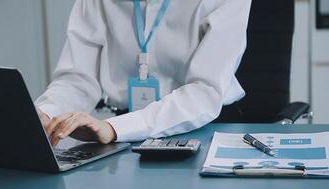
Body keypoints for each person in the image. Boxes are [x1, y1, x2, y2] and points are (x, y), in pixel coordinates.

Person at [36, 0, 252, 147]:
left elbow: (204, 93)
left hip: (205, 129)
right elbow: (79, 79)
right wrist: (45, 114)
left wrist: (115, 129)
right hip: (122, 134)